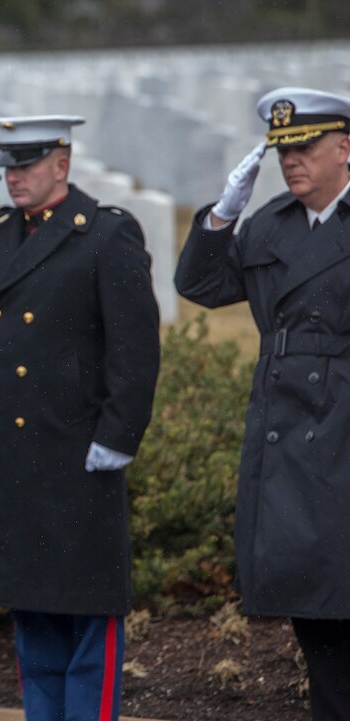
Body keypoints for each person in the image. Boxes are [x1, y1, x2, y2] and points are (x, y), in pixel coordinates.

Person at [0, 116, 161, 721]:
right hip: (10, 458)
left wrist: (120, 433)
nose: (14, 178)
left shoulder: (104, 234)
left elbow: (135, 347)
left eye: (26, 165)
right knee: (32, 614)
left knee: (86, 615)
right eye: (8, 167)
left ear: (62, 164)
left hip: (75, 451)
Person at [175, 87, 350, 721]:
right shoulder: (271, 223)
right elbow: (199, 285)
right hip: (286, 430)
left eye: (304, 148)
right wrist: (221, 218)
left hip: (342, 425)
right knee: (316, 615)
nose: (291, 161)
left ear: (344, 148)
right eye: (283, 151)